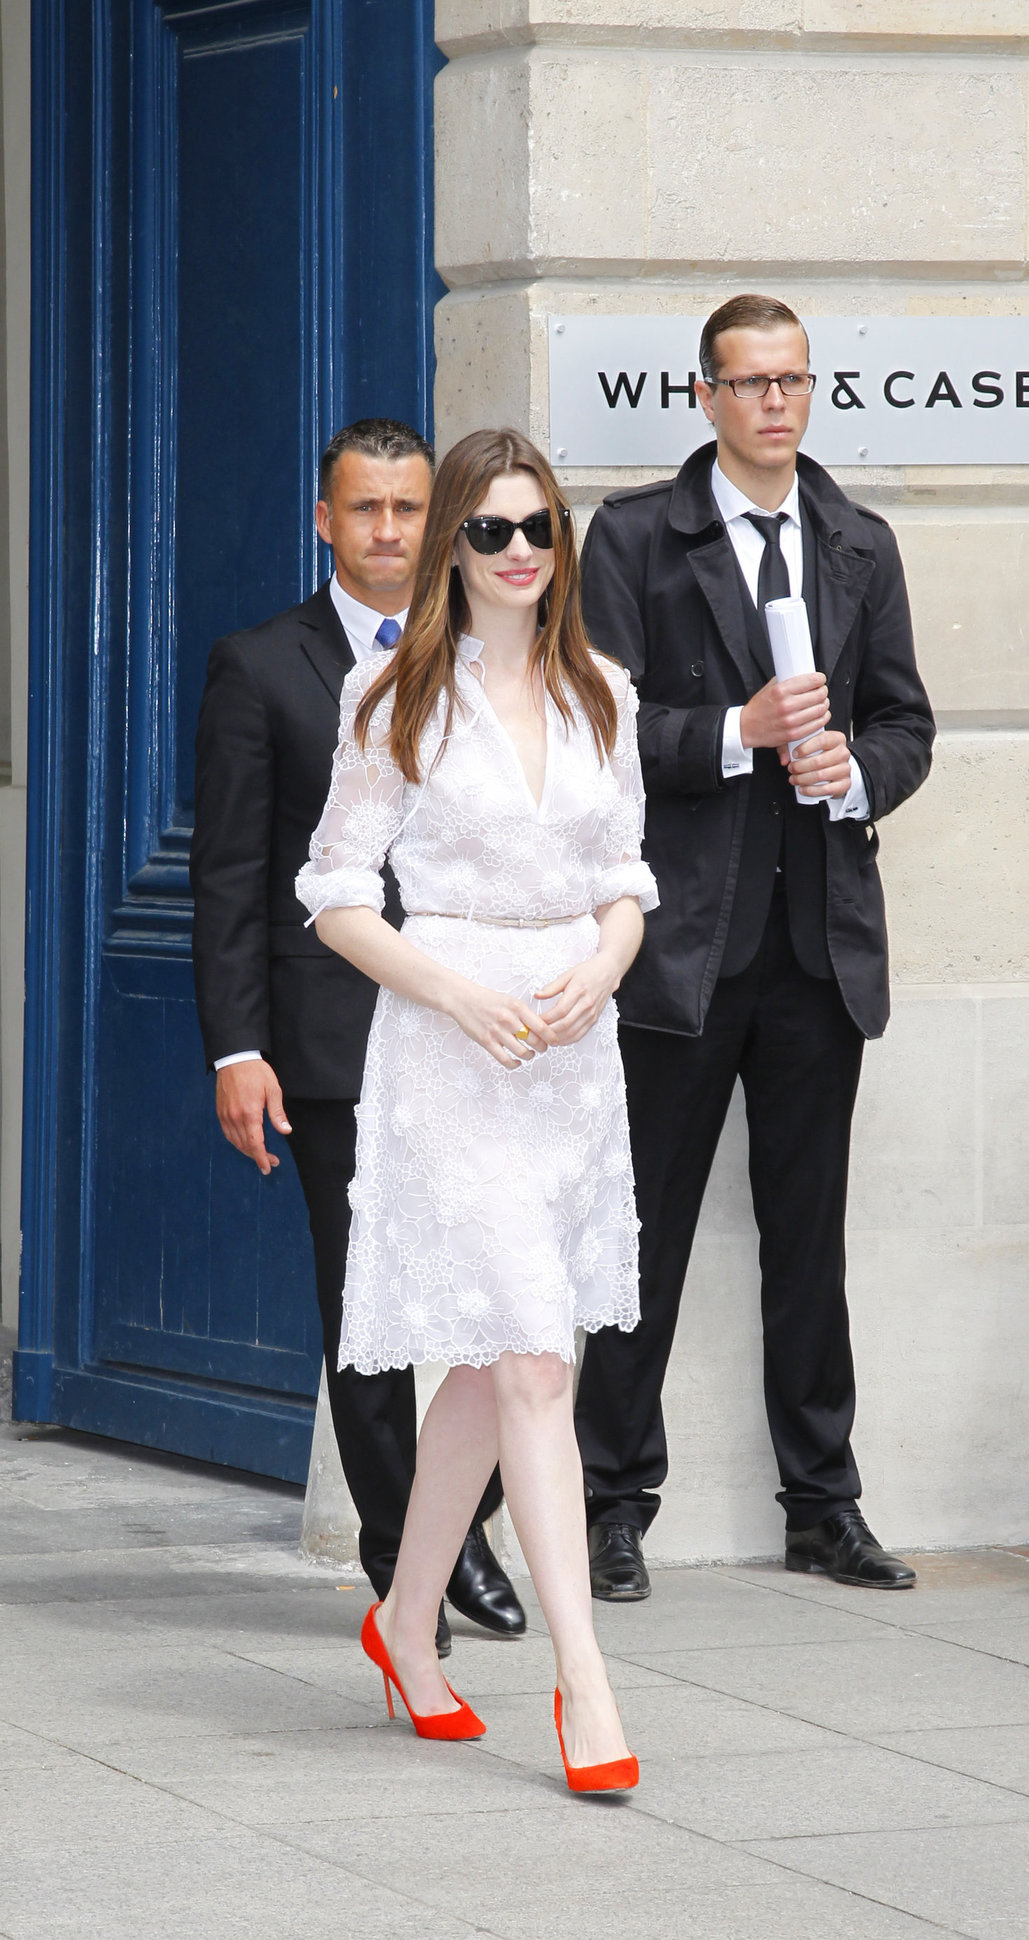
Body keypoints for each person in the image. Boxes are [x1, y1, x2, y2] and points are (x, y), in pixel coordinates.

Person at [295, 427, 657, 1790]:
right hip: (450, 1045)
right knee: (535, 1366)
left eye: (537, 529)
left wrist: (604, 963)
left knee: (496, 1355)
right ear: (452, 543)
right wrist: (449, 991)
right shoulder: (394, 694)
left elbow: (628, 874)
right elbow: (332, 892)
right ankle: (586, 1686)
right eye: (490, 531)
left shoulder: (600, 694)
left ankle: (401, 1622)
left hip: (570, 1046)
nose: (517, 553)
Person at [573, 294, 935, 1601]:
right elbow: (594, 730)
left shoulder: (858, 542)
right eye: (751, 382)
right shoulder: (631, 539)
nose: (775, 402)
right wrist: (736, 729)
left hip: (816, 950)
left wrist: (851, 772)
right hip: (678, 949)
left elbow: (908, 722)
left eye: (793, 381)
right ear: (705, 397)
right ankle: (612, 1504)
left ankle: (821, 1507)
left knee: (809, 1242)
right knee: (639, 1240)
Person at [190, 417, 524, 1655]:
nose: (388, 531)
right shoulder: (259, 664)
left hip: (470, 1024)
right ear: (324, 520)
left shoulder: (492, 646)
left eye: (406, 508)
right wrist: (238, 1047)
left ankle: (460, 1508)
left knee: (498, 1289)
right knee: (367, 1301)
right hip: (328, 1041)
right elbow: (230, 872)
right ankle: (411, 1547)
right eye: (364, 510)